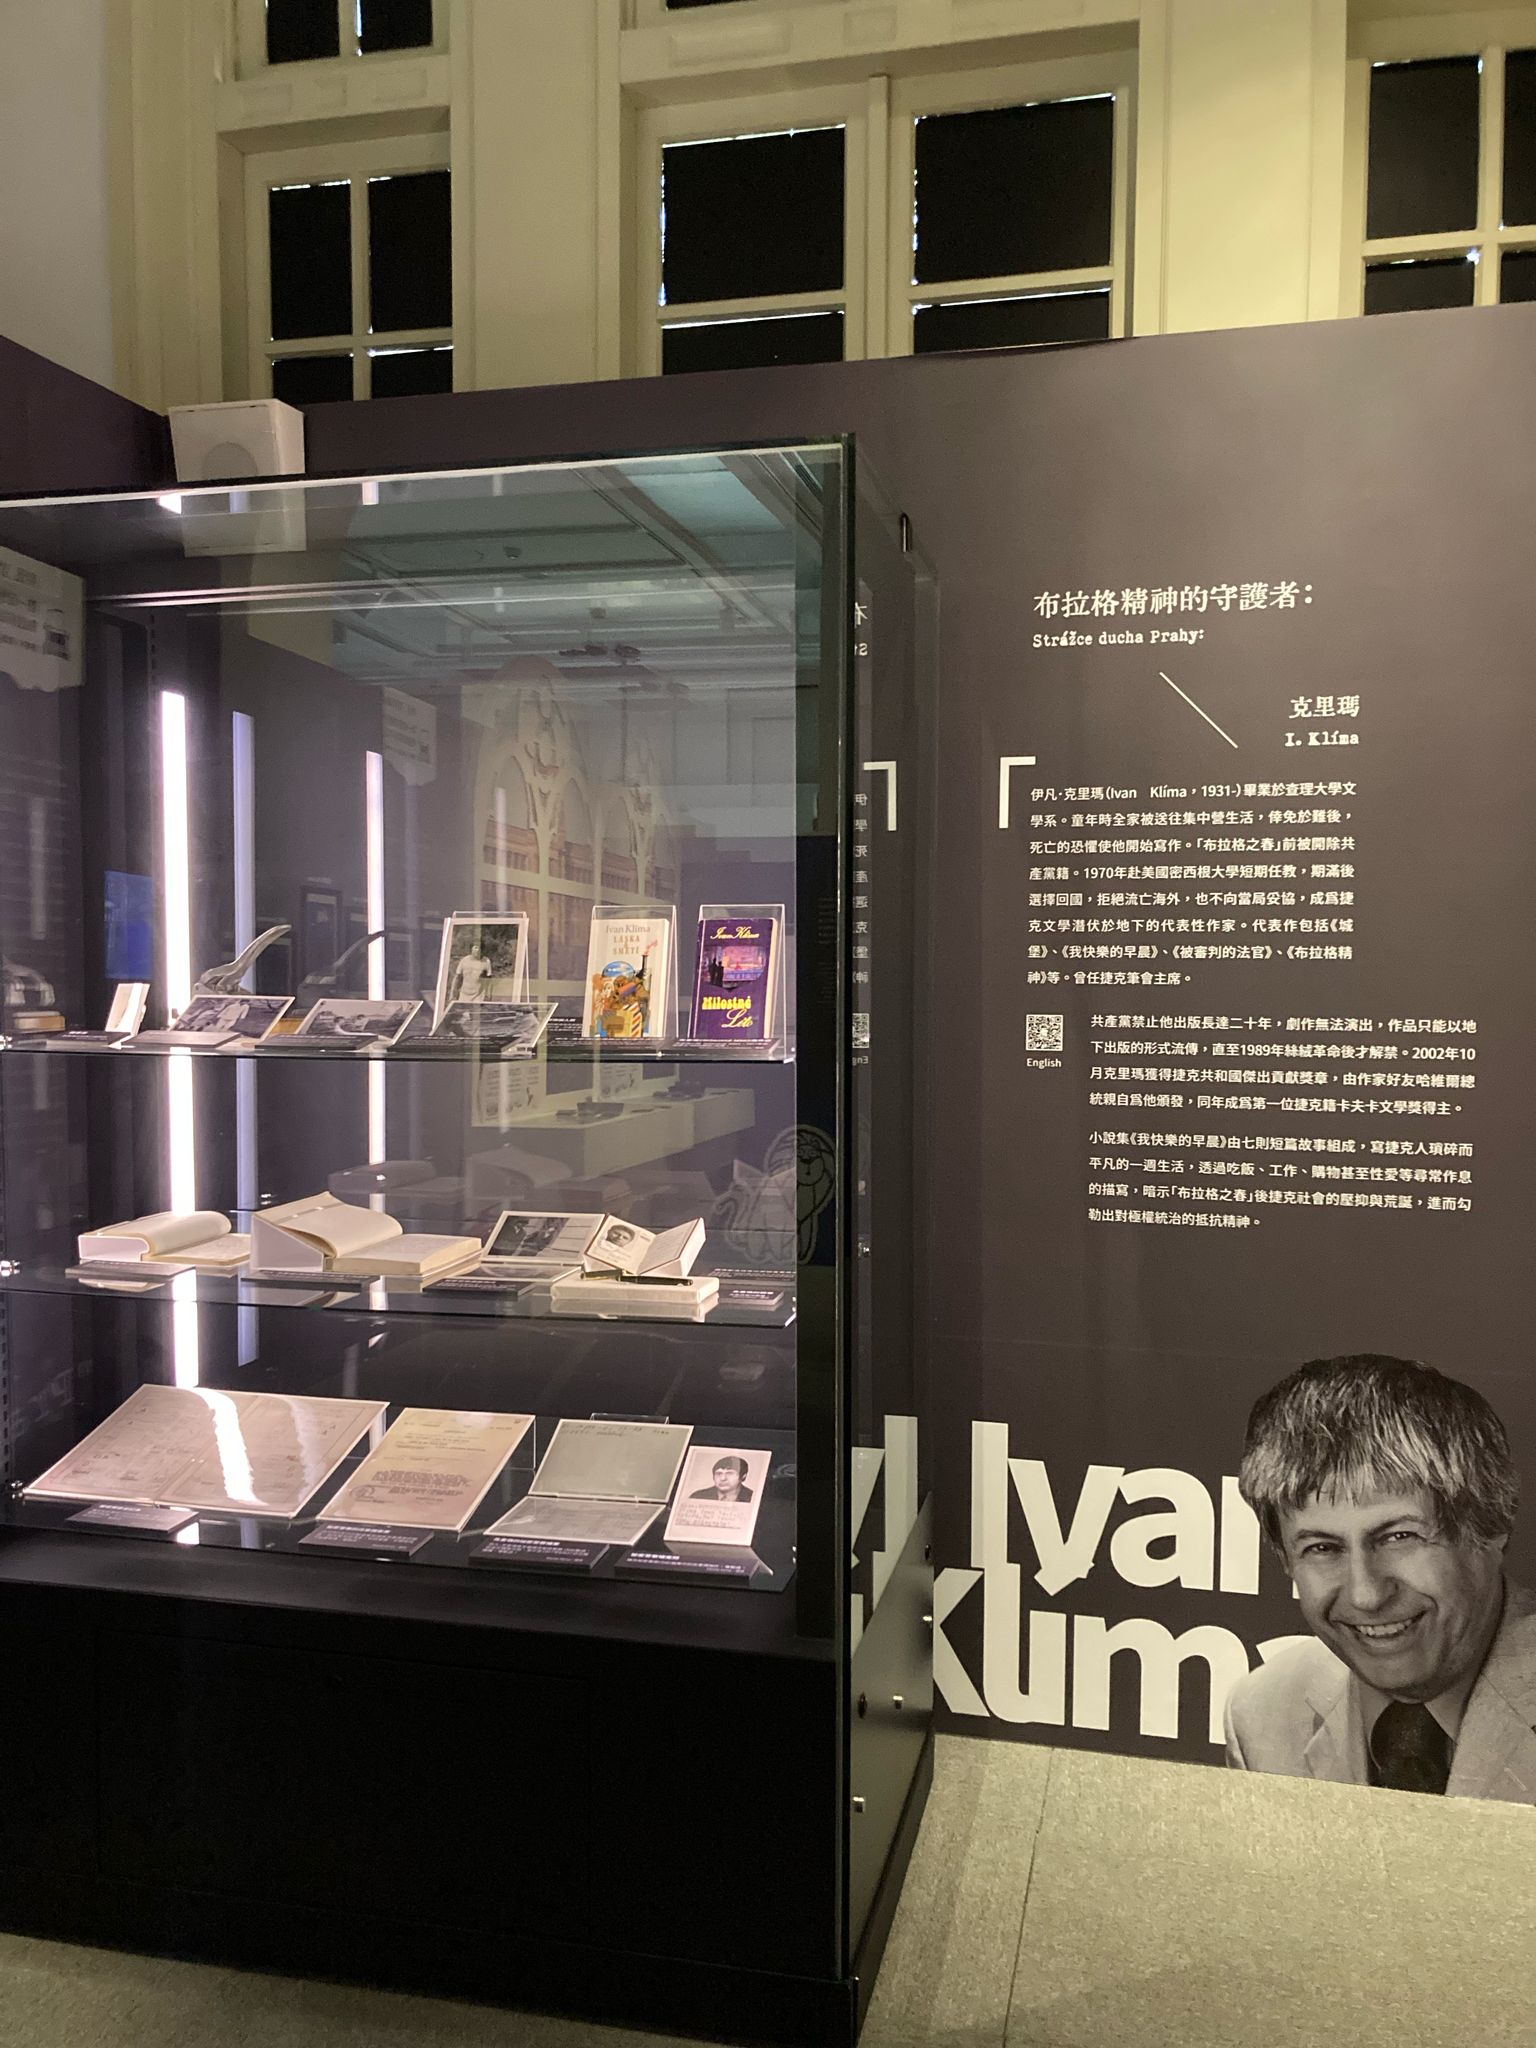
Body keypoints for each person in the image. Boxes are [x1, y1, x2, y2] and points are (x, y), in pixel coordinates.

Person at [1227, 1353, 1536, 1801]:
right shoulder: (1261, 1712)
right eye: (1322, 1548)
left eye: (1399, 1537)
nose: (1366, 1595)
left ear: (1491, 1527)